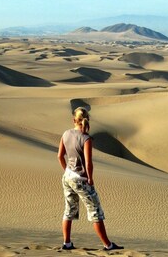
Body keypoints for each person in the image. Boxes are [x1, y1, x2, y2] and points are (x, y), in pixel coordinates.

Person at [57, 107, 124, 251]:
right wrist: (90, 178)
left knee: (69, 209)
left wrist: (67, 170)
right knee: (95, 211)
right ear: (87, 120)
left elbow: (59, 156)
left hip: (67, 177)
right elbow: (88, 163)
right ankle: (108, 245)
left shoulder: (66, 134)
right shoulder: (86, 138)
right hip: (81, 179)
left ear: (74, 120)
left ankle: (67, 243)